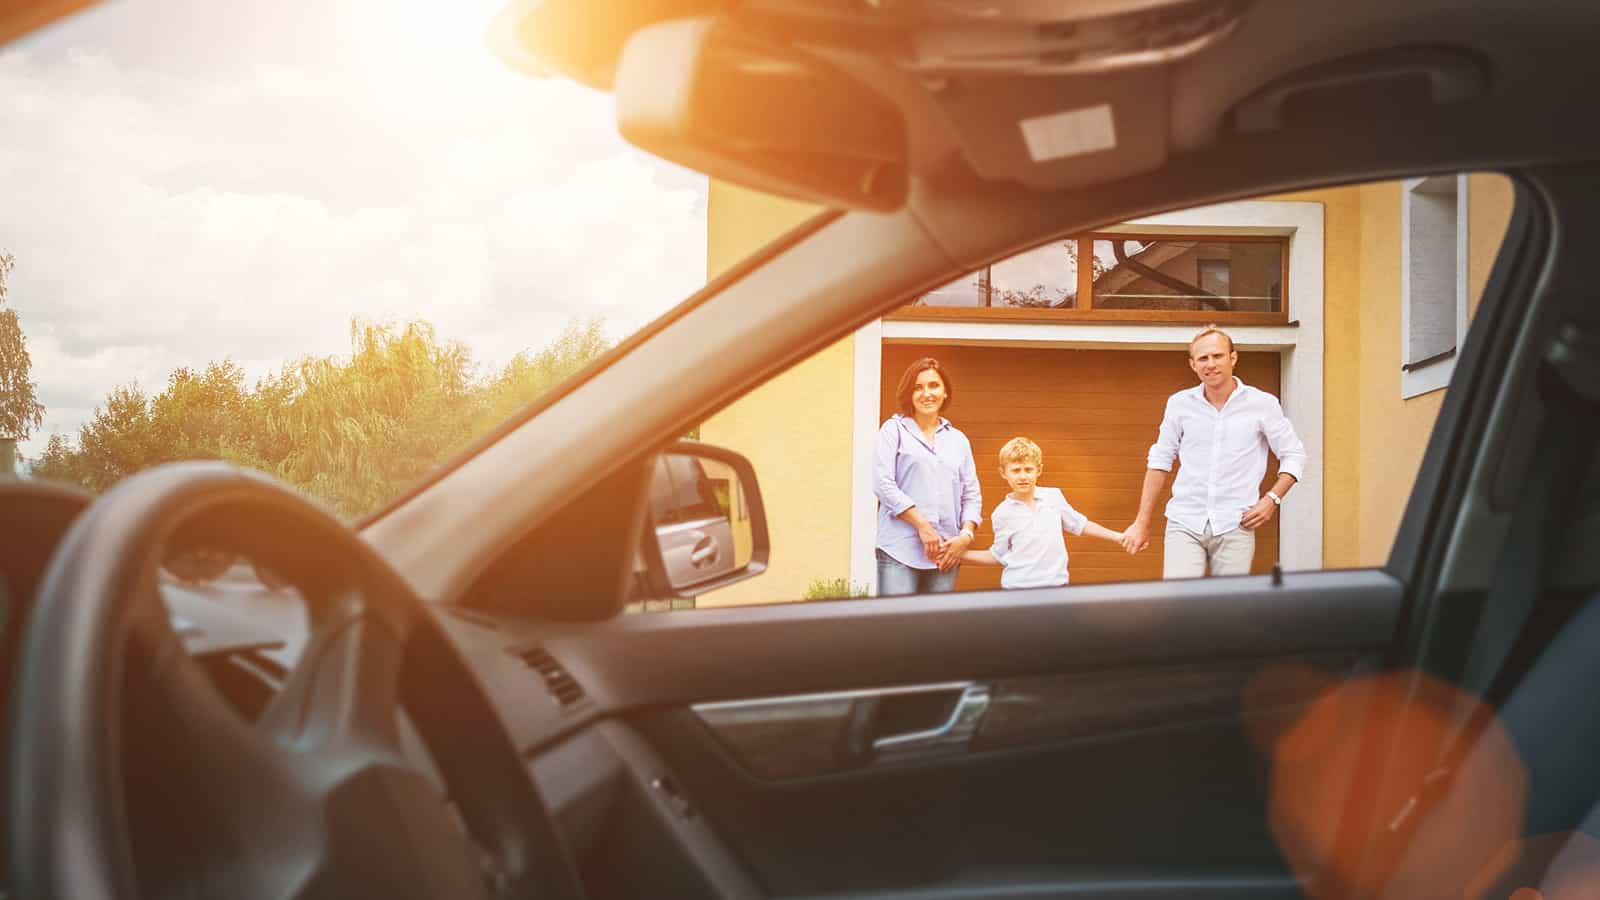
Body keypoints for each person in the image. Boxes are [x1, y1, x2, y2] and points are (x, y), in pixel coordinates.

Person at [1121, 325, 1307, 578]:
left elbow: (1294, 455)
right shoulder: (1179, 404)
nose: (1210, 364)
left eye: (1217, 356)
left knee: (1227, 610)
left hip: (1235, 524)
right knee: (1179, 604)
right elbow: (1160, 460)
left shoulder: (1262, 404)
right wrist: (1141, 523)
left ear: (1233, 358)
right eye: (1203, 358)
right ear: (1193, 364)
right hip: (1184, 521)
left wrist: (1271, 500)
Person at [874, 357, 981, 595]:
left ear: (945, 392)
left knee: (936, 631)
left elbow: (971, 494)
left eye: (933, 385)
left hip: (946, 554)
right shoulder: (894, 430)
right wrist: (922, 525)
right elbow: (883, 483)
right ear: (909, 394)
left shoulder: (958, 440)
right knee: (897, 629)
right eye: (918, 387)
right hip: (899, 551)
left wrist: (965, 537)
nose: (926, 393)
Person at [961, 437, 1125, 588]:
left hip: (1057, 587)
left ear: (1039, 470)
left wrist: (1118, 537)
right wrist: (961, 554)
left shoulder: (1054, 497)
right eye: (1016, 470)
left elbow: (1080, 524)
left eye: (1028, 469)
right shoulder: (1002, 513)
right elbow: (998, 555)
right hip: (1017, 590)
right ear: (1003, 473)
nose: (1023, 476)